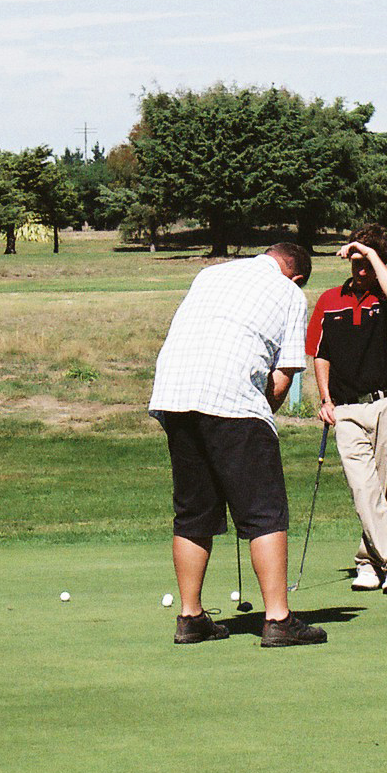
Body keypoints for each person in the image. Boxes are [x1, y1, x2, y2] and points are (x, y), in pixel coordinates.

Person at [148, 243, 327, 647]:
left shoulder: (211, 274)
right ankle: (278, 620)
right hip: (232, 400)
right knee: (265, 511)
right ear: (297, 276)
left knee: (194, 509)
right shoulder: (290, 294)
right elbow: (283, 375)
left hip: (173, 395)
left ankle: (190, 616)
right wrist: (265, 410)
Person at [306, 224, 387, 593]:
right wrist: (325, 400)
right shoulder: (328, 300)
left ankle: (368, 563)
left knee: (384, 491)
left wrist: (370, 253)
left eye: (367, 263)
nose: (359, 270)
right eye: (355, 262)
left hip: (384, 403)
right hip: (347, 411)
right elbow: (320, 354)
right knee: (362, 488)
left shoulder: (386, 301)